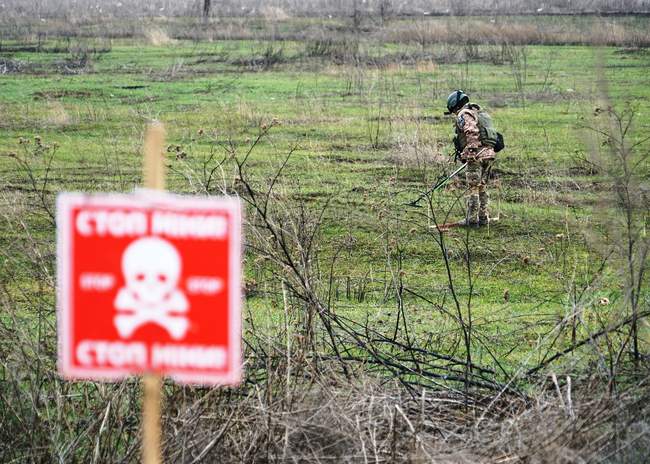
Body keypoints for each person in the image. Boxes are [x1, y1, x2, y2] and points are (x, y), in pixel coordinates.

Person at [447, 90, 498, 227]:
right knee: (482, 186)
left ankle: (472, 220)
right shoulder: (478, 112)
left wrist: (470, 152)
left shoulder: (464, 114)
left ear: (454, 106)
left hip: (477, 155)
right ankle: (483, 218)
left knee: (473, 187)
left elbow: (471, 131)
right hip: (488, 154)